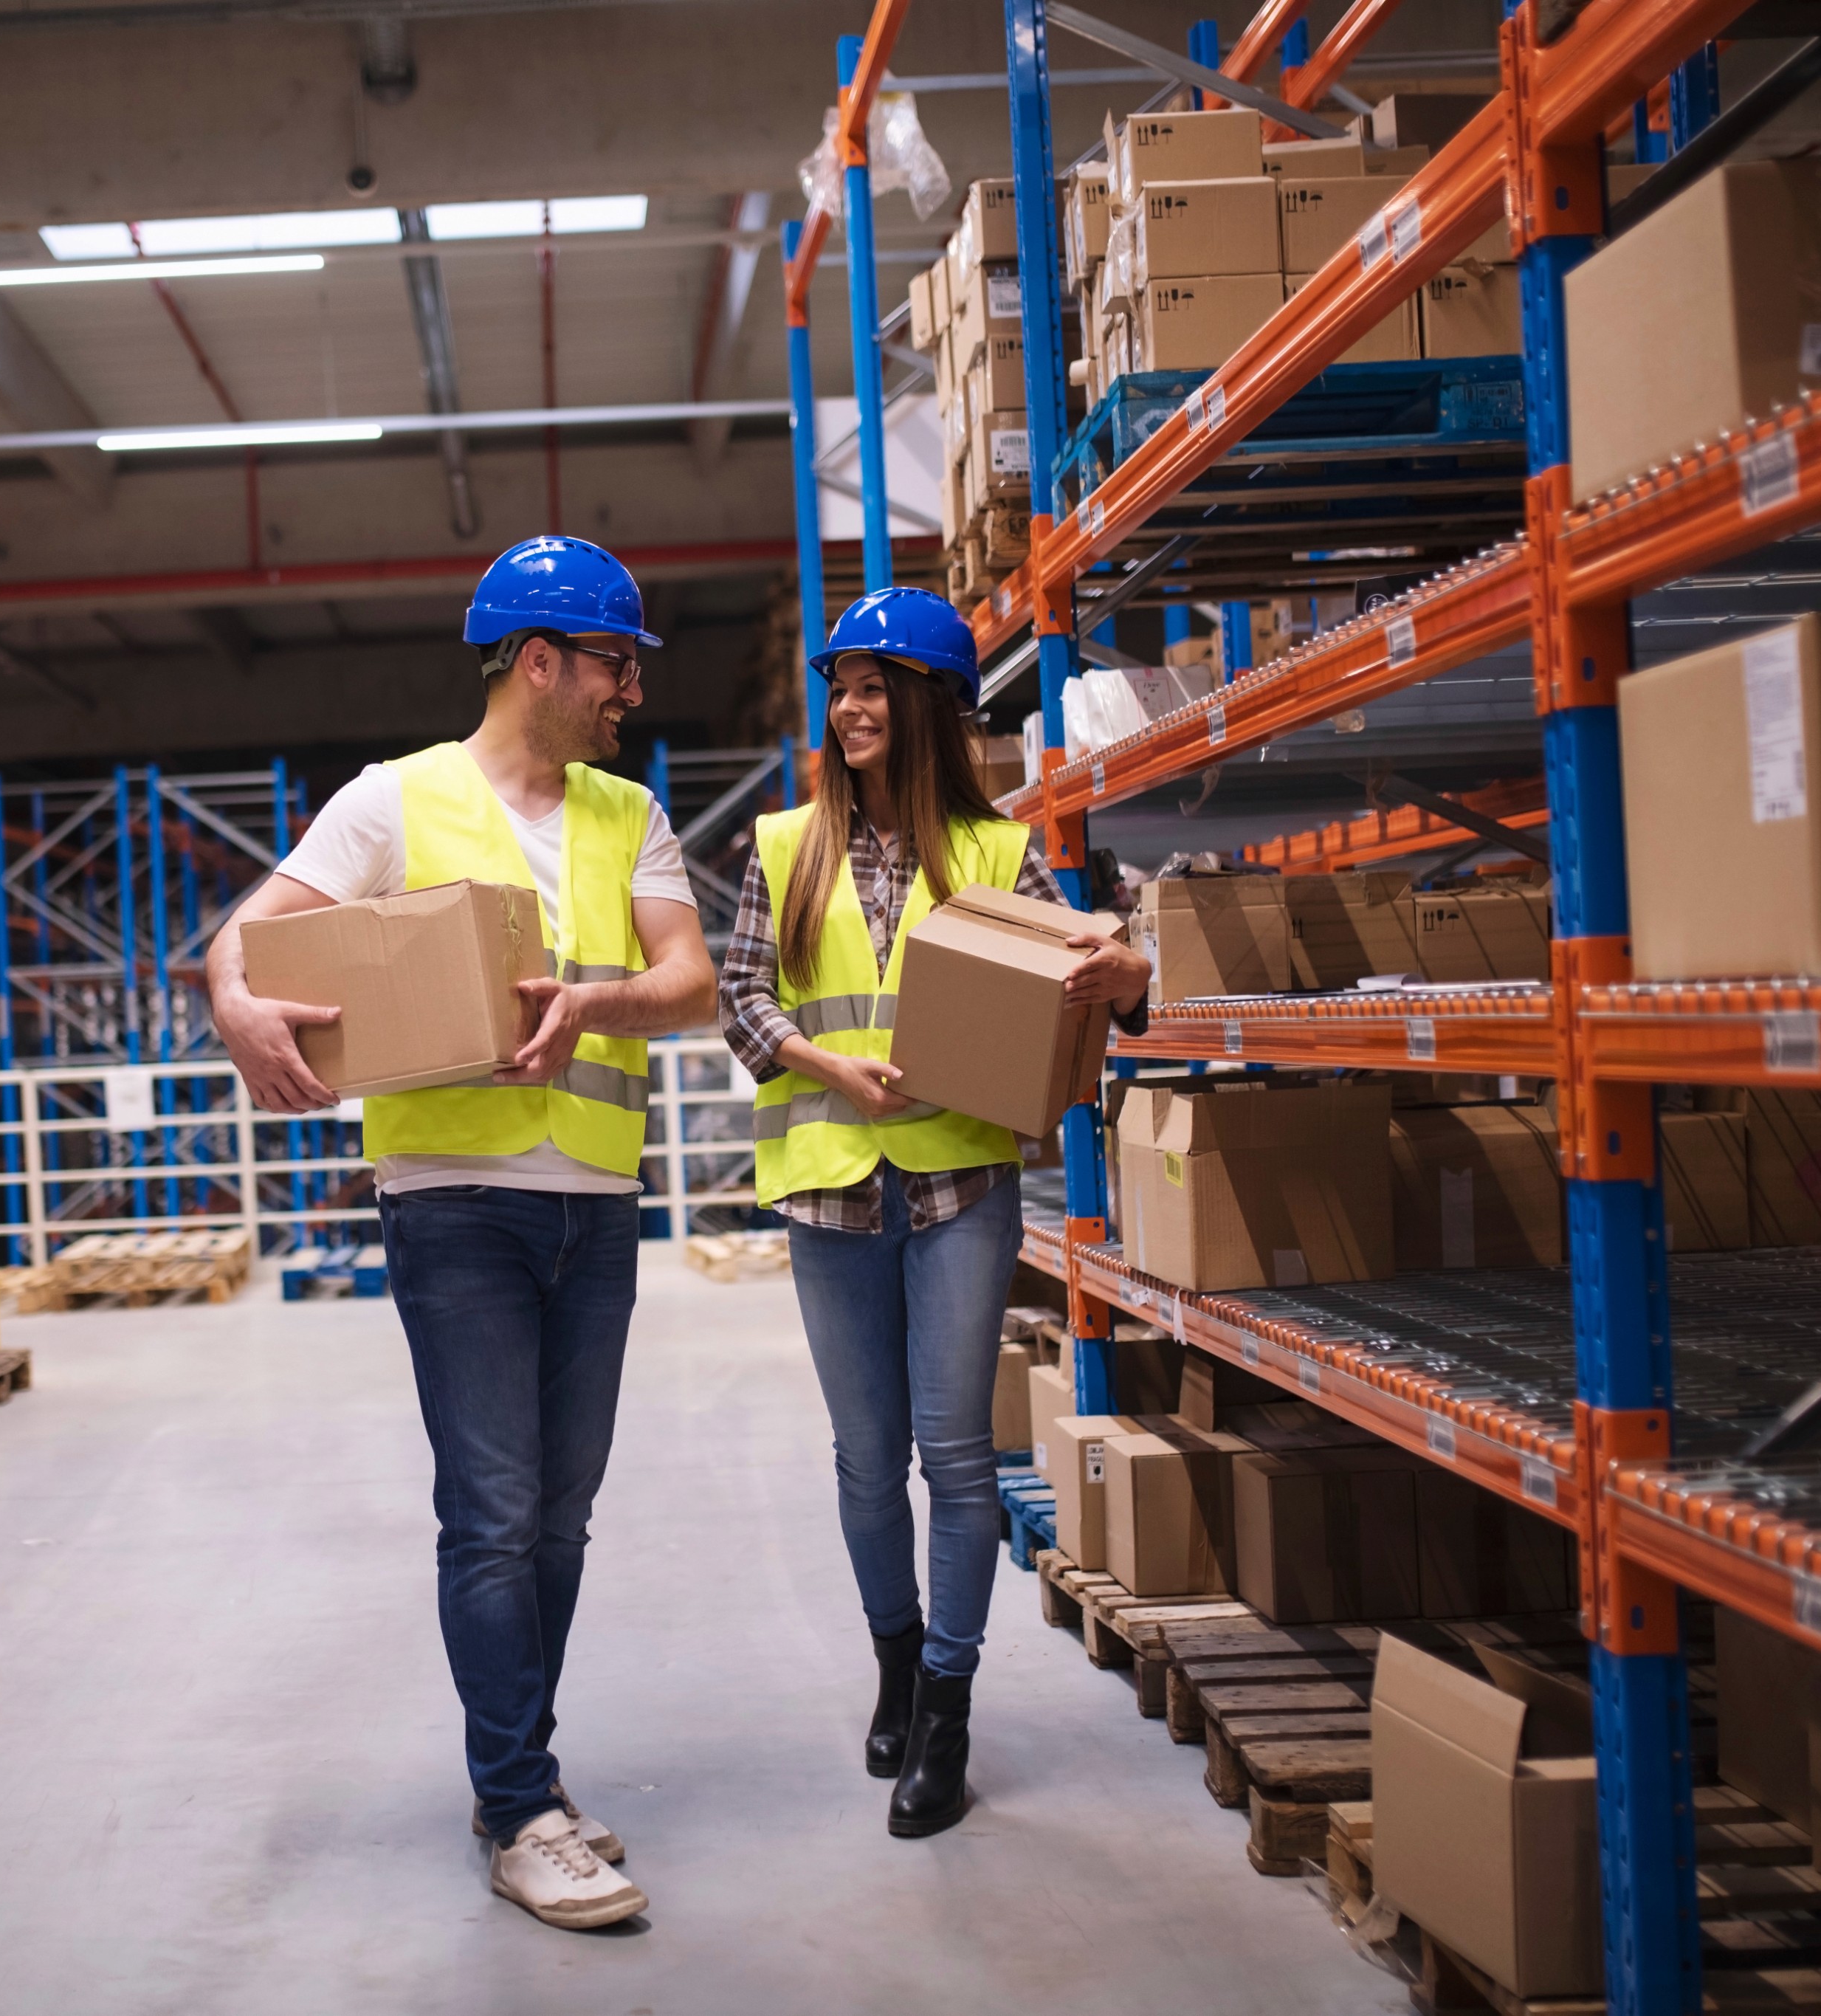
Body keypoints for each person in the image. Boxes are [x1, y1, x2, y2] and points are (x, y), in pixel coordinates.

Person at [207, 536, 716, 1931]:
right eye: (614, 664)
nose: (630, 690)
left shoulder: (630, 815)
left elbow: (688, 981)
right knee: (492, 1515)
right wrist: (238, 1009)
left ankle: (524, 1783)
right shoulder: (394, 802)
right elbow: (245, 946)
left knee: (560, 1518)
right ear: (541, 663)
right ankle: (517, 1807)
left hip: (594, 1208)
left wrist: (594, 1009)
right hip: (454, 1209)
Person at [717, 587, 1151, 1838]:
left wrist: (1130, 984)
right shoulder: (782, 844)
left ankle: (950, 1705)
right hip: (829, 1191)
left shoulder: (1003, 854)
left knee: (957, 1459)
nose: (848, 709)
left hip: (961, 1188)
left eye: (872, 688)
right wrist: (822, 1063)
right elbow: (743, 998)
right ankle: (897, 1667)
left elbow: (1099, 984)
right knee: (868, 1461)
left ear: (932, 709)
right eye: (838, 688)